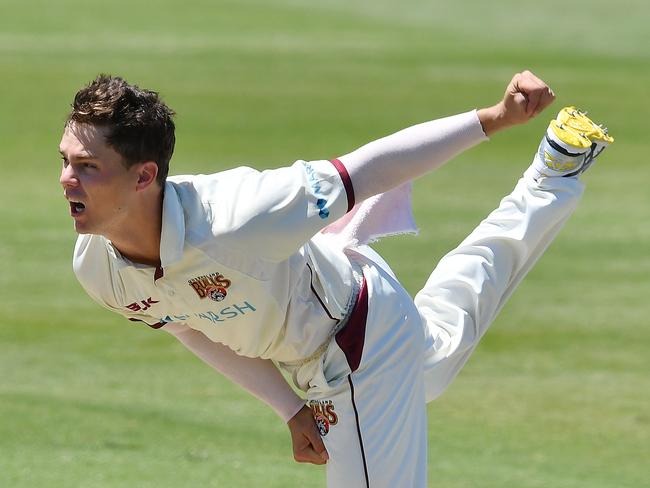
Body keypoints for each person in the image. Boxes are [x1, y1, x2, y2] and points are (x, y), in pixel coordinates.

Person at [59, 71, 612, 488]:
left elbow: (368, 169)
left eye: (87, 166)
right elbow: (187, 323)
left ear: (145, 176)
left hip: (354, 343)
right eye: (65, 160)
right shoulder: (98, 269)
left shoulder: (238, 214)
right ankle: (551, 175)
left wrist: (495, 118)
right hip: (341, 311)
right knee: (438, 357)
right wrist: (290, 408)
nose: (66, 179)